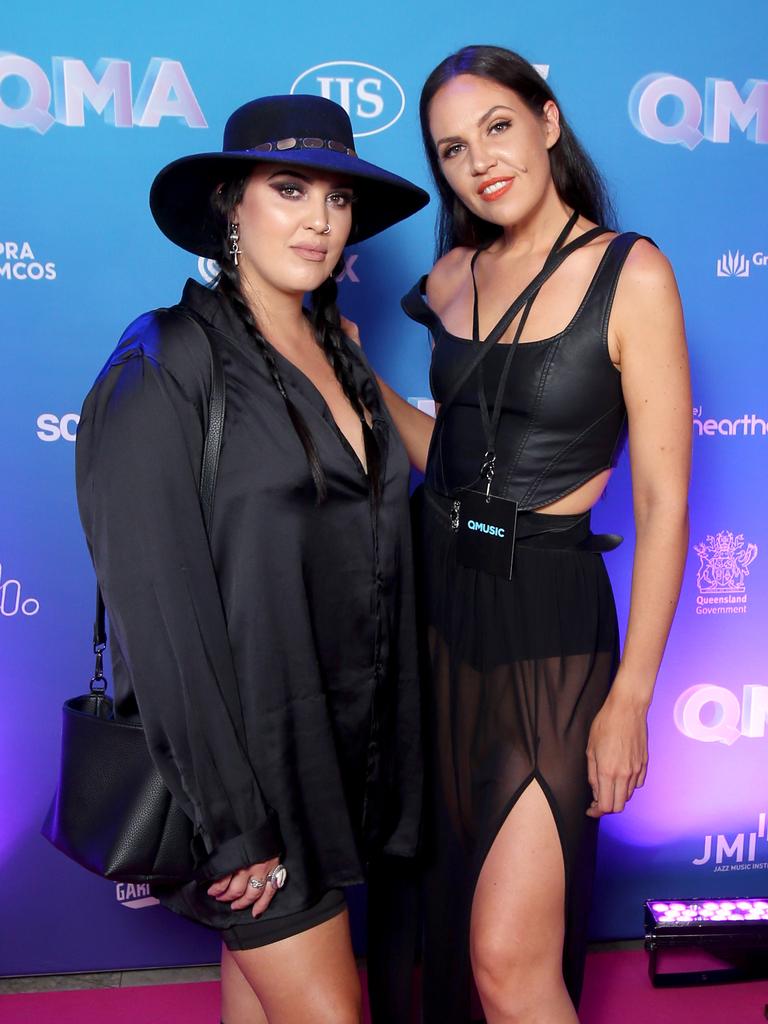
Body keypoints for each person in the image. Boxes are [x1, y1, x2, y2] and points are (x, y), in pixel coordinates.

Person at [75, 94, 428, 1024]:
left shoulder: (341, 356)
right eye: (287, 188)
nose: (318, 219)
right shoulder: (164, 362)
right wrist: (235, 822)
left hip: (343, 762)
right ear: (231, 204)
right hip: (247, 783)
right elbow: (161, 616)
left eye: (338, 199)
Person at [369, 46, 691, 1024]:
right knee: (442, 935)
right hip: (439, 604)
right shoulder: (455, 269)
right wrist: (351, 373)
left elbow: (663, 501)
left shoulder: (630, 272)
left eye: (498, 128)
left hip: (550, 623)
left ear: (548, 122)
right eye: (453, 148)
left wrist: (631, 694)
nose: (480, 161)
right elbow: (451, 459)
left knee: (510, 960)